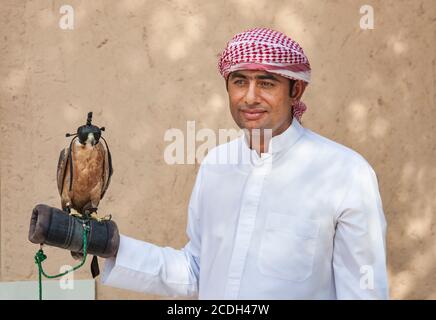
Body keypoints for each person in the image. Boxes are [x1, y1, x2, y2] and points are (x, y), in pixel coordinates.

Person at [101, 27, 389, 299]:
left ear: (296, 91)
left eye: (266, 83)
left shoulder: (345, 172)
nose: (250, 97)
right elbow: (197, 270)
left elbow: (364, 291)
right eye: (240, 82)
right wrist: (108, 244)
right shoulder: (216, 165)